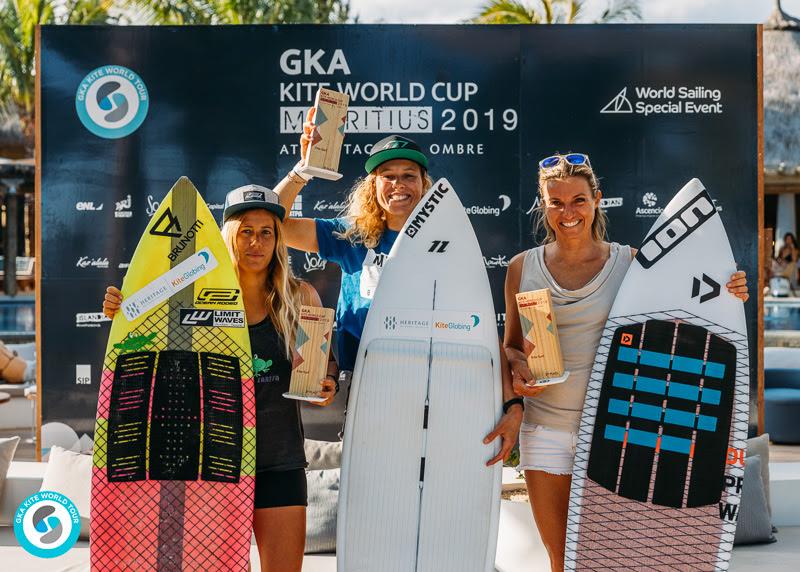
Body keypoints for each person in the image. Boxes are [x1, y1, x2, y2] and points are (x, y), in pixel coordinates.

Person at [502, 153, 749, 572]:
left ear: (597, 200)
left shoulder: (631, 263)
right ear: (542, 205)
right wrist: (518, 376)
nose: (568, 213)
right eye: (556, 202)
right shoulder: (522, 267)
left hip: (616, 436)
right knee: (562, 559)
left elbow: (685, 316)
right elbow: (509, 346)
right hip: (545, 430)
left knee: (614, 560)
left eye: (578, 200)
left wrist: (729, 292)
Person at [102, 185, 337, 572]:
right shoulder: (190, 297)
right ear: (228, 234)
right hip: (213, 465)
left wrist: (324, 386)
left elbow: (318, 374)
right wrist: (121, 309)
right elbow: (142, 333)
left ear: (279, 239)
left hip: (279, 461)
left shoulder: (300, 297)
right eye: (246, 230)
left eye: (267, 232)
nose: (256, 242)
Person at [273, 111, 521, 465]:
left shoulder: (448, 244)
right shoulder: (352, 236)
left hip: (438, 388)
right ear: (372, 186)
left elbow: (480, 326)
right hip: (365, 385)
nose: (398, 184)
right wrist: (304, 168)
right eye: (387, 176)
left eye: (408, 175)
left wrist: (512, 405)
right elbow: (269, 220)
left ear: (425, 183)